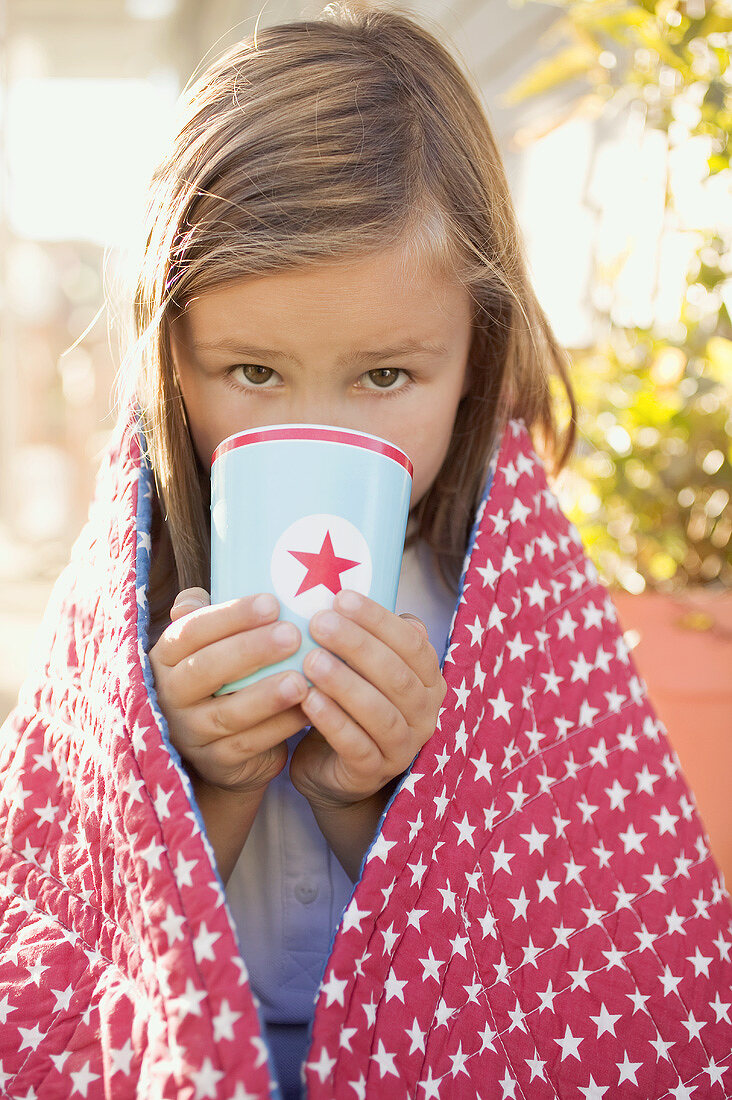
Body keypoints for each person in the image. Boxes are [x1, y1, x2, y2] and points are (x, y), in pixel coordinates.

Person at [2, 4, 730, 1099]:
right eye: (252, 371)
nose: (322, 427)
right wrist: (201, 779)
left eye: (386, 376)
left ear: (476, 355)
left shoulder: (504, 618)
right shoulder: (136, 603)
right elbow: (74, 911)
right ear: (172, 359)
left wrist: (367, 798)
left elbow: (545, 943)